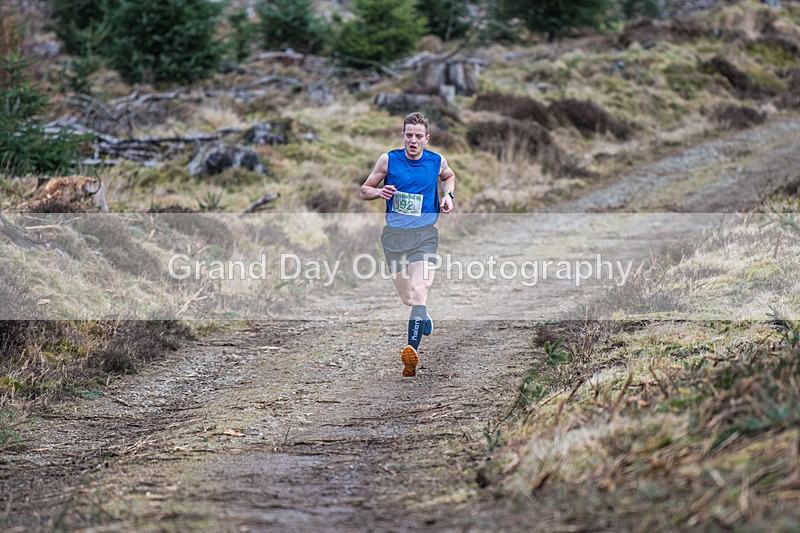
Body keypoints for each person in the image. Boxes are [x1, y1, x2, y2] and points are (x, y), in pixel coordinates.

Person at [360, 112, 456, 377]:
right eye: (408, 135)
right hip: (394, 236)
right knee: (406, 297)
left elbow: (449, 176)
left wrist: (448, 196)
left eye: (418, 136)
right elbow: (364, 190)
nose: (413, 141)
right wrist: (380, 192)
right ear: (403, 136)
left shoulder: (436, 161)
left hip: (425, 235)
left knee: (418, 290)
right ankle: (422, 317)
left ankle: (410, 354)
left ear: (426, 139)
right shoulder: (389, 160)